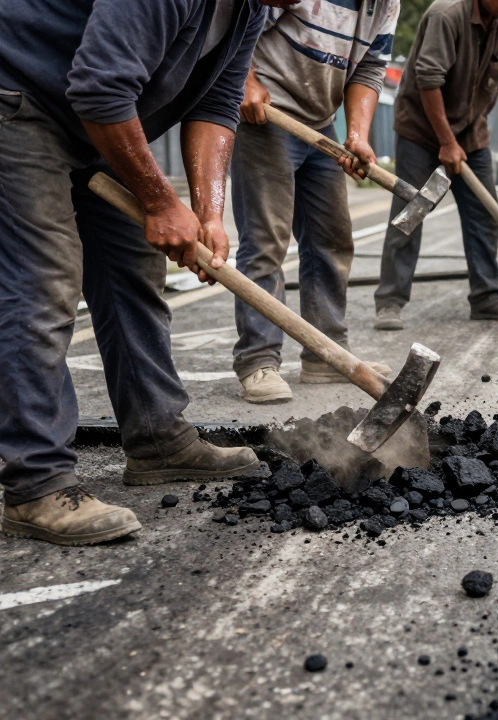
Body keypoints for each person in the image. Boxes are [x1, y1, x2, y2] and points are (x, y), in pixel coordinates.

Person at [0, 0, 295, 546]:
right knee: (43, 281)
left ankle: (158, 438)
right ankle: (35, 483)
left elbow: (218, 104)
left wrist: (208, 212)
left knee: (132, 269)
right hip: (21, 102)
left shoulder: (250, 9)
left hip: (93, 119)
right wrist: (161, 201)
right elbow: (99, 87)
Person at [230, 0, 400, 404]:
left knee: (332, 240)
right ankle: (258, 361)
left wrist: (356, 133)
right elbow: (239, 25)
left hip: (320, 121)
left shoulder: (386, 4)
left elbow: (371, 68)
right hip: (267, 116)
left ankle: (326, 355)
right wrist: (246, 80)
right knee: (265, 242)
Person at [373, 0, 498, 329]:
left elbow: (497, 81)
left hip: (470, 135)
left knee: (484, 215)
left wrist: (469, 130)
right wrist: (445, 141)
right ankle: (390, 300)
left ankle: (487, 296)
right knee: (410, 214)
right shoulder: (447, 14)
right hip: (422, 133)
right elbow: (428, 79)